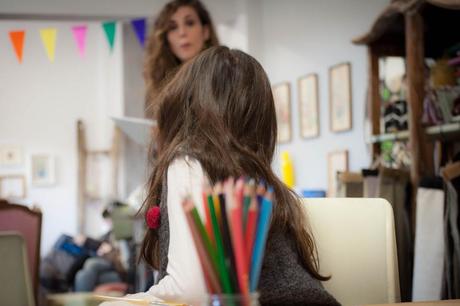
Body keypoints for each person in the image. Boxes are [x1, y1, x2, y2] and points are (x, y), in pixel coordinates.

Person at [103, 47, 340, 306]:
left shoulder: (188, 161)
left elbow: (190, 290)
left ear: (187, 101)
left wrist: (133, 300)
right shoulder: (266, 183)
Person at [143, 0, 219, 118]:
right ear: (165, 38)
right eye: (173, 27)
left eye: (189, 23)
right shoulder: (157, 84)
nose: (182, 32)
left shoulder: (224, 76)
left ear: (205, 31)